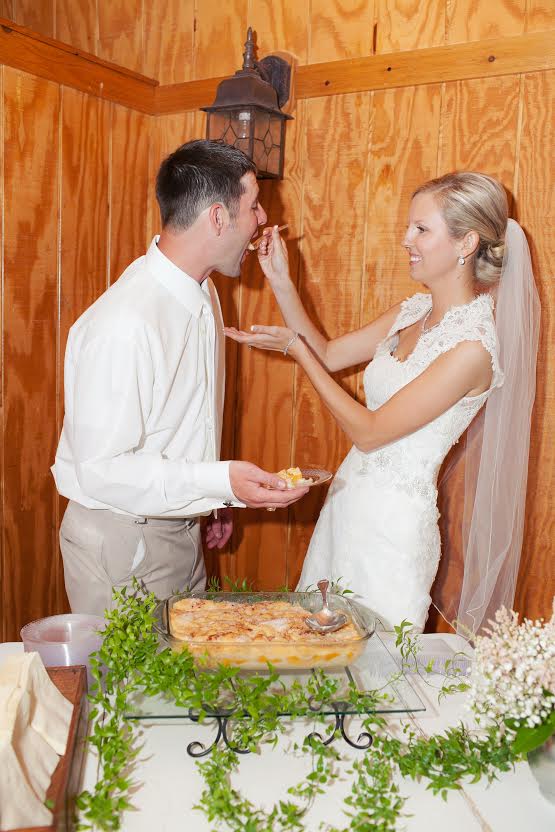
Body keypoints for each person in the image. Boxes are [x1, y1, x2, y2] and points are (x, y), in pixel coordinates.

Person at [225, 172, 540, 633]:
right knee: (315, 651)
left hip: (393, 530)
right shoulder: (412, 310)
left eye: (421, 229)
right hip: (348, 505)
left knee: (372, 672)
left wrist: (295, 351)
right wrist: (280, 281)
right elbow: (330, 355)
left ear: (466, 242)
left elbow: (370, 432)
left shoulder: (472, 349)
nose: (404, 239)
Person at [52, 140, 308, 617]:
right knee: (129, 692)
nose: (260, 220)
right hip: (125, 542)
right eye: (253, 206)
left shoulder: (204, 290)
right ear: (217, 217)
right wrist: (221, 480)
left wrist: (211, 500)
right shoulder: (123, 325)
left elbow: (186, 417)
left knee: (185, 686)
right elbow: (103, 470)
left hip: (181, 530)